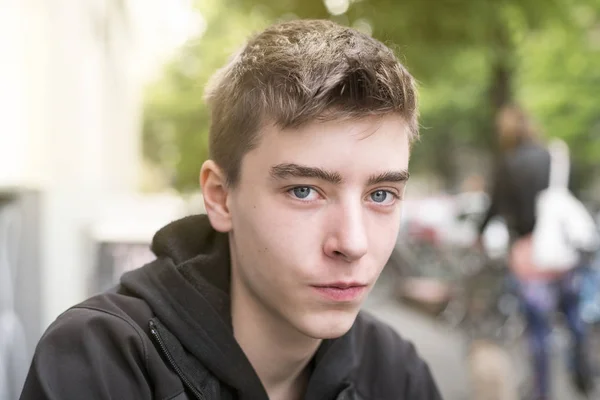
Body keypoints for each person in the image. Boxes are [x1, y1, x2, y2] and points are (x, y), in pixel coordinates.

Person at [20, 19, 442, 400]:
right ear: (221, 197)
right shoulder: (101, 359)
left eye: (381, 195)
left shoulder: (394, 371)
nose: (352, 242)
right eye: (304, 191)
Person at [478, 104, 594, 400]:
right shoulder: (554, 158)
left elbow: (495, 208)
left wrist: (479, 233)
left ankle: (543, 392)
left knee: (539, 332)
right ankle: (583, 370)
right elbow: (572, 202)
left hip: (529, 258)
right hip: (562, 257)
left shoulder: (508, 164)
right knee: (573, 315)